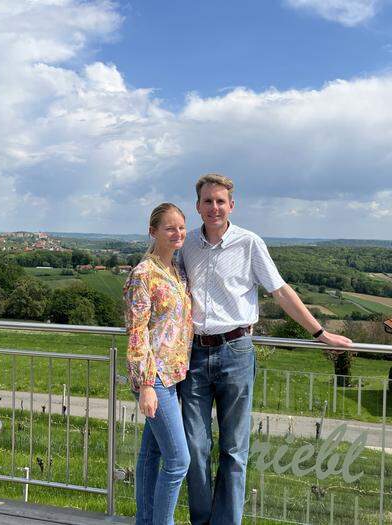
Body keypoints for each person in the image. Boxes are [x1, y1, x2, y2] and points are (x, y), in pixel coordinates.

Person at [179, 174, 353, 525]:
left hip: (236, 352)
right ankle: (201, 521)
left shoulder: (249, 243)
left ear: (232, 205)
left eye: (220, 201)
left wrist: (320, 332)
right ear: (197, 206)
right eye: (208, 201)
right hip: (195, 354)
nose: (214, 207)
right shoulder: (187, 246)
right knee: (194, 448)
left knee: (233, 450)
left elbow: (280, 291)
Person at [124, 202, 193, 525]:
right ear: (153, 232)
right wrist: (147, 386)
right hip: (156, 379)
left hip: (173, 376)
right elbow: (137, 334)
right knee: (179, 460)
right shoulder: (143, 274)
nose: (177, 232)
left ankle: (146, 521)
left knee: (152, 455)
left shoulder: (176, 270)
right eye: (169, 227)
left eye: (181, 226)